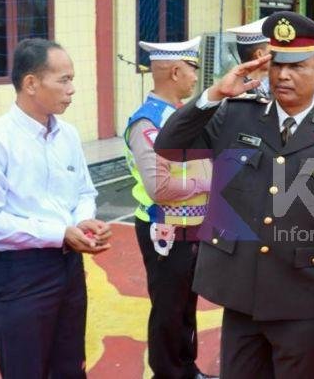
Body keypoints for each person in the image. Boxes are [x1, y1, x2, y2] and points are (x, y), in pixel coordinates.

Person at [153, 11, 314, 377]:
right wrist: (215, 93)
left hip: (303, 301)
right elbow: (170, 146)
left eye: (298, 65)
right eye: (278, 64)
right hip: (242, 296)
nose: (284, 75)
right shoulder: (236, 116)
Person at [0, 38, 111, 378]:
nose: (72, 89)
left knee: (70, 367)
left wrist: (84, 220)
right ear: (31, 84)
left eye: (72, 79)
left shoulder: (67, 134)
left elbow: (84, 189)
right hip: (20, 278)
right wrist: (59, 232)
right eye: (64, 80)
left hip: (68, 270)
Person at [125, 37, 215, 379]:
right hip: (163, 227)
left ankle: (186, 368)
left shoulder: (180, 115)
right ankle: (168, 372)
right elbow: (159, 187)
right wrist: (211, 179)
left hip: (189, 225)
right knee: (168, 308)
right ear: (175, 71)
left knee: (186, 305)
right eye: (192, 68)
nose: (196, 77)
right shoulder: (148, 122)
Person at [228, 18, 271, 99]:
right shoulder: (237, 91)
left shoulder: (273, 84)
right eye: (272, 51)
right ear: (260, 54)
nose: (276, 55)